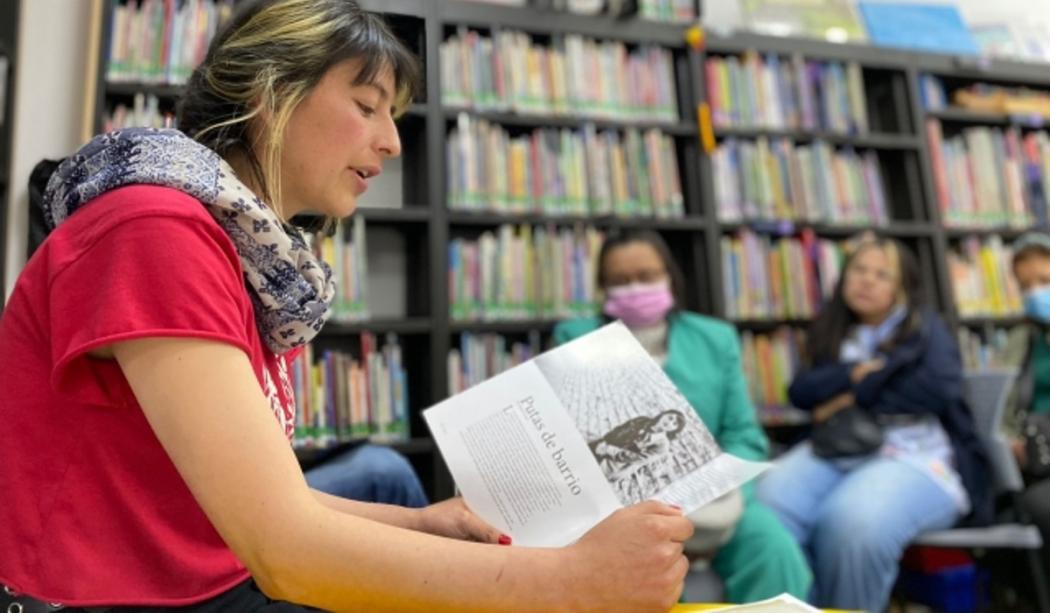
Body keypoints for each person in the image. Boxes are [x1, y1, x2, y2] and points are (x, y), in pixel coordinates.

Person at [0, 1, 693, 610]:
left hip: (190, 567)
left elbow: (248, 504)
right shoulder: (154, 228)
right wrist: (569, 580)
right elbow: (285, 549)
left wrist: (424, 526)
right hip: (107, 597)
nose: (391, 140)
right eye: (366, 107)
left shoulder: (230, 246)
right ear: (271, 94)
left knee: (398, 491)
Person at [554, 229, 812, 604]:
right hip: (618, 508)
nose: (635, 288)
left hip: (715, 499)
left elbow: (743, 434)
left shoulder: (715, 338)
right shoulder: (574, 339)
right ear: (603, 288)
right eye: (620, 281)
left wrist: (725, 494)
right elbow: (567, 438)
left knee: (775, 552)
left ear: (670, 277)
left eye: (646, 276)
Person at [755, 234, 991, 613]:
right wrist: (856, 373)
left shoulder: (925, 329)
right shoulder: (833, 330)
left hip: (913, 454)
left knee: (852, 523)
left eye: (882, 274)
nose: (866, 280)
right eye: (859, 270)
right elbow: (801, 391)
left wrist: (851, 396)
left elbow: (936, 390)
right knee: (767, 503)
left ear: (903, 288)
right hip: (838, 448)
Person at [1000, 231, 1050, 574]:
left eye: (1045, 281)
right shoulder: (1020, 339)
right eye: (1026, 285)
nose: (1036, 292)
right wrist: (1007, 437)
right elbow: (998, 403)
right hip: (1036, 464)